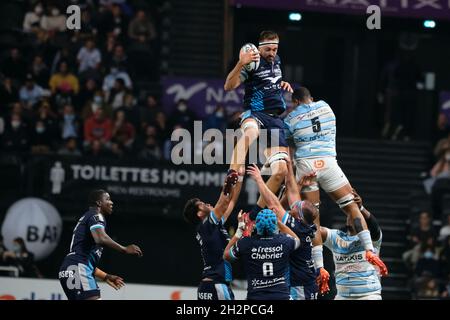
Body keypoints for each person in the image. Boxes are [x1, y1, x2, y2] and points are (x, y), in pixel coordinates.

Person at [284, 87, 388, 276]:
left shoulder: (290, 118)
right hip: (329, 163)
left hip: (307, 166)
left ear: (295, 102)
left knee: (312, 217)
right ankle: (369, 250)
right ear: (311, 98)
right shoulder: (326, 107)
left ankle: (319, 267)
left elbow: (287, 141)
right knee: (352, 206)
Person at [224, 30, 293, 215]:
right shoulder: (252, 63)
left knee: (280, 172)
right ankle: (232, 173)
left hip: (276, 120)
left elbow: (269, 81)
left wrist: (281, 84)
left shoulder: (277, 61)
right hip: (255, 113)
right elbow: (228, 86)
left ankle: (254, 215)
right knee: (251, 133)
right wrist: (240, 63)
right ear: (260, 48)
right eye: (268, 49)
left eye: (275, 49)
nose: (272, 53)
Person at [246, 161, 330, 299]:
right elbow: (292, 191)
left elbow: (274, 203)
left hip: (301, 287)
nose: (295, 205)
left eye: (298, 206)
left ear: (299, 216)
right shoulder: (303, 224)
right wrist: (288, 165)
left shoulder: (297, 227)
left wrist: (259, 180)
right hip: (301, 282)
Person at [58, 190, 143, 300]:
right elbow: (100, 238)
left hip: (72, 268)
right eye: (107, 199)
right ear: (98, 203)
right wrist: (124, 249)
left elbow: (85, 259)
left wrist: (106, 276)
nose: (111, 202)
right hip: (78, 269)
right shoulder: (96, 215)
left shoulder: (87, 217)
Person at [183, 169, 243, 300]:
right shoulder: (206, 225)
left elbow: (231, 202)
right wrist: (228, 183)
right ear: (200, 214)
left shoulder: (210, 226)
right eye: (203, 204)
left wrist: (240, 179)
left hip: (210, 285)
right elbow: (222, 204)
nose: (208, 204)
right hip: (217, 285)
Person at [319, 190, 384, 300]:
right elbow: (315, 230)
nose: (352, 214)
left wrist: (361, 208)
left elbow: (374, 226)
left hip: (369, 295)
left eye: (355, 212)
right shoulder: (336, 237)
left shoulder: (371, 239)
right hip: (342, 296)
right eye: (350, 212)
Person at [224, 209, 300, 300]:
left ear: (256, 224)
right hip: (282, 296)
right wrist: (278, 221)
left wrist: (240, 229)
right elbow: (297, 240)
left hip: (256, 297)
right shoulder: (284, 241)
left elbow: (226, 255)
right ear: (274, 224)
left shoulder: (245, 243)